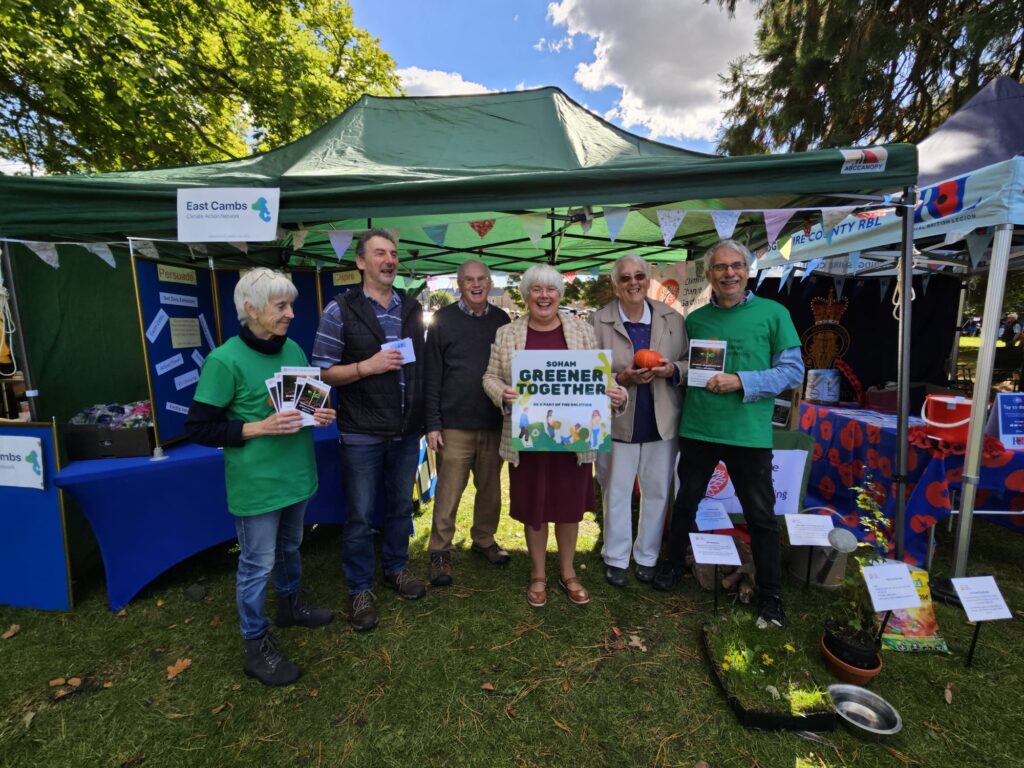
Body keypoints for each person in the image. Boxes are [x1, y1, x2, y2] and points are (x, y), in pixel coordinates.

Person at [186, 268, 336, 686]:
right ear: (250, 310)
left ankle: (290, 606)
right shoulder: (224, 360)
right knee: (256, 563)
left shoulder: (294, 352)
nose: (291, 314)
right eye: (281, 306)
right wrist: (258, 427)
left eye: (291, 304)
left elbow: (300, 410)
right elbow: (200, 428)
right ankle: (256, 644)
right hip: (257, 484)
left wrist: (316, 415)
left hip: (296, 475)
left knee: (291, 546)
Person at [653, 240, 803, 630]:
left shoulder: (774, 313)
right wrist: (674, 370)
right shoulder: (697, 320)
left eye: (736, 266)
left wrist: (741, 381)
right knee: (685, 502)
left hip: (748, 434)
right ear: (709, 275)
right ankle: (671, 565)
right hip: (699, 427)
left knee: (761, 517)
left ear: (748, 270)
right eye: (720, 268)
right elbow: (690, 367)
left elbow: (793, 372)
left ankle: (771, 594)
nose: (729, 273)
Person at [483, 265, 627, 608]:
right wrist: (501, 392)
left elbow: (600, 380)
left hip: (572, 441)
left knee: (568, 507)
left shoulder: (581, 330)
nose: (544, 296)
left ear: (559, 295)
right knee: (535, 507)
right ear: (526, 295)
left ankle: (568, 572)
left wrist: (616, 393)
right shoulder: (507, 333)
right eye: (536, 290)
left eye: (550, 290)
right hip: (529, 439)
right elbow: (489, 376)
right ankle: (538, 574)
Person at [312, 228, 427, 632]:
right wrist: (366, 367)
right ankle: (359, 588)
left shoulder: (413, 308)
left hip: (405, 430)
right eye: (380, 253)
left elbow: (422, 369)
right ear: (360, 261)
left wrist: (425, 420)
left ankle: (396, 568)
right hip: (361, 431)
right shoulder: (339, 310)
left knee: (399, 507)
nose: (389, 260)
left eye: (393, 253)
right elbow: (322, 372)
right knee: (360, 515)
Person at [590, 255, 688, 588]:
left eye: (639, 276)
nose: (633, 283)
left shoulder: (672, 317)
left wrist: (672, 369)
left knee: (658, 490)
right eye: (625, 278)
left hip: (661, 420)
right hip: (618, 421)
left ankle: (647, 555)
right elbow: (588, 373)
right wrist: (621, 377)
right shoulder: (598, 321)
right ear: (615, 284)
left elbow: (690, 363)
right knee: (615, 490)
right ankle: (616, 557)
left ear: (648, 280)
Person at [424, 259, 511, 587]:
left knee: (490, 489)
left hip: (493, 420)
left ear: (490, 283)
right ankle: (440, 550)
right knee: (448, 491)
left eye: (482, 280)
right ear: (458, 284)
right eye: (469, 280)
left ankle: (484, 539)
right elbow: (431, 375)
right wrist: (432, 423)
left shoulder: (502, 321)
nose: (476, 285)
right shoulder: (441, 321)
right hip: (454, 423)